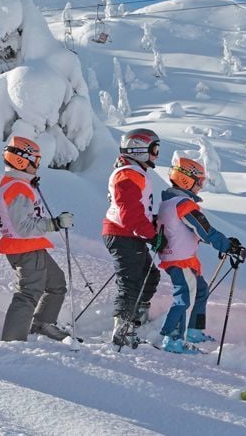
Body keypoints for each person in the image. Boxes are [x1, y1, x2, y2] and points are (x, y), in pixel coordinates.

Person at [155, 156, 244, 353]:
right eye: (199, 181)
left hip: (181, 259)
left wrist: (224, 244)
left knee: (201, 291)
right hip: (179, 261)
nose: (201, 186)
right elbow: (204, 230)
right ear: (186, 180)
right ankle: (172, 340)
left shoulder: (170, 202)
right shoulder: (183, 204)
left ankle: (193, 331)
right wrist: (227, 246)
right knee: (185, 297)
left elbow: (188, 231)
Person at [0, 136, 74, 342]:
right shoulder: (17, 187)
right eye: (35, 161)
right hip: (25, 248)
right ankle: (13, 341)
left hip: (32, 247)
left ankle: (43, 324)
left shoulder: (22, 184)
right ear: (21, 160)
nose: (38, 166)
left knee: (56, 283)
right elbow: (23, 227)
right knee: (28, 293)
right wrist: (54, 224)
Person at [103, 128, 161, 346]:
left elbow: (138, 209)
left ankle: (137, 321)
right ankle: (123, 328)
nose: (156, 155)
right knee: (131, 281)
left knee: (149, 276)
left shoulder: (134, 172)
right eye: (154, 150)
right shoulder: (128, 174)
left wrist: (152, 224)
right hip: (122, 233)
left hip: (130, 233)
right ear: (138, 150)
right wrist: (152, 235)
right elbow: (129, 215)